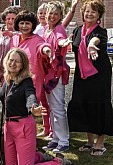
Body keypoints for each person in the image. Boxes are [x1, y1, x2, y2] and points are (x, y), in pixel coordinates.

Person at [0, 48, 72, 165]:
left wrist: (33, 107)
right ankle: (38, 156)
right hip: (8, 127)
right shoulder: (7, 80)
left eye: (17, 61)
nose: (13, 63)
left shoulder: (26, 81)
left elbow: (30, 95)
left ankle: (58, 162)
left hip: (23, 127)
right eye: (11, 60)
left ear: (23, 65)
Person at [68, 0, 113, 156]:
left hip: (99, 74)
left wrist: (91, 45)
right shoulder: (77, 31)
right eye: (87, 11)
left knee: (99, 105)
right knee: (83, 103)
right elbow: (71, 42)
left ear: (99, 15)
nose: (89, 14)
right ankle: (89, 141)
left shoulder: (101, 31)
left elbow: (95, 39)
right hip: (82, 74)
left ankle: (100, 143)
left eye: (93, 12)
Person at [11, 11, 53, 140]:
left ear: (33, 25)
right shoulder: (15, 38)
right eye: (21, 23)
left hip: (33, 79)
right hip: (17, 78)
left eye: (27, 23)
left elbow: (42, 46)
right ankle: (18, 133)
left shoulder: (37, 39)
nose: (24, 26)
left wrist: (47, 50)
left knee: (30, 108)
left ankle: (28, 137)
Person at [41, 1, 71, 154]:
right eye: (50, 13)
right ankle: (55, 138)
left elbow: (60, 39)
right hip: (47, 73)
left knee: (58, 107)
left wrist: (63, 43)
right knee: (52, 107)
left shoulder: (59, 29)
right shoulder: (46, 29)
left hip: (56, 73)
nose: (52, 16)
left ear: (60, 17)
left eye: (56, 14)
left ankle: (64, 140)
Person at [0, 6, 19, 73]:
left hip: (12, 68)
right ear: (5, 20)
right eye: (8, 18)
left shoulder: (19, 33)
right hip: (0, 67)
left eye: (13, 19)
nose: (11, 21)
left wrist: (12, 34)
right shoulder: (2, 31)